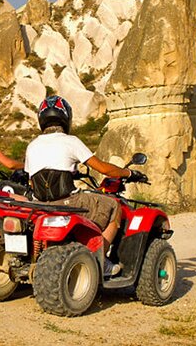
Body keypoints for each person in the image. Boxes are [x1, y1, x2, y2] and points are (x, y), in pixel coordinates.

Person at [24, 95, 146, 276]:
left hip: (42, 205)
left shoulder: (32, 145)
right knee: (114, 206)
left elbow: (32, 180)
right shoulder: (71, 141)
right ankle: (101, 261)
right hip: (69, 201)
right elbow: (104, 169)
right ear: (66, 118)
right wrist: (129, 173)